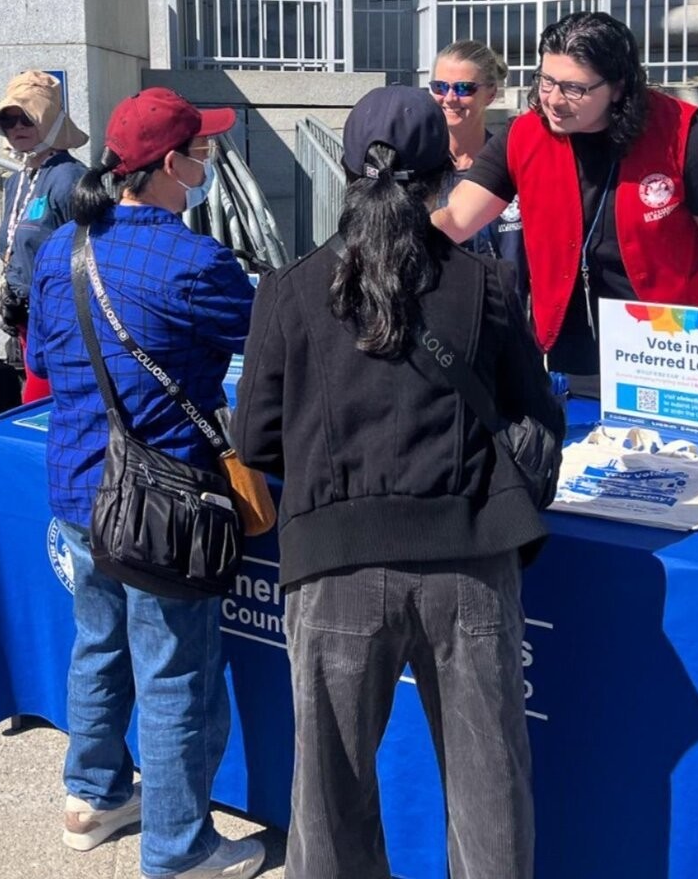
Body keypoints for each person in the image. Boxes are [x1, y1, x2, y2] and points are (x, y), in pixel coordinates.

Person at [232, 86, 565, 879]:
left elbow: (254, 439)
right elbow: (534, 412)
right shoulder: (484, 284)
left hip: (335, 564)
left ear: (347, 169)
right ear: (445, 170)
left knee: (327, 801)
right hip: (469, 561)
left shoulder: (288, 287)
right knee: (490, 792)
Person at [26, 87, 264, 879]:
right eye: (202, 150)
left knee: (97, 647)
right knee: (175, 676)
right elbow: (272, 346)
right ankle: (178, 848)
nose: (209, 161)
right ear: (171, 164)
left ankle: (91, 797)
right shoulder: (195, 260)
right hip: (162, 506)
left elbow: (40, 364)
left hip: (75, 492)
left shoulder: (61, 248)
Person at [433, 11, 698, 391]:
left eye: (574, 89)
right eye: (546, 81)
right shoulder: (523, 136)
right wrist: (381, 245)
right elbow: (456, 217)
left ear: (618, 88)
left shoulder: (684, 136)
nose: (553, 100)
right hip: (571, 352)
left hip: (674, 353)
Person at [0, 70, 88, 402]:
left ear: (47, 122)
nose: (16, 128)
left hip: (64, 323)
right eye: (8, 121)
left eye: (26, 119)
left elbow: (93, 252)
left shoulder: (71, 178)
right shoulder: (19, 181)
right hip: (27, 320)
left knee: (42, 405)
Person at [430, 40, 528, 300]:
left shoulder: (514, 167)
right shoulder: (419, 170)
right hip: (441, 326)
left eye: (464, 88)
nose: (450, 98)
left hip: (508, 324)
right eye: (439, 87)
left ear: (491, 94)